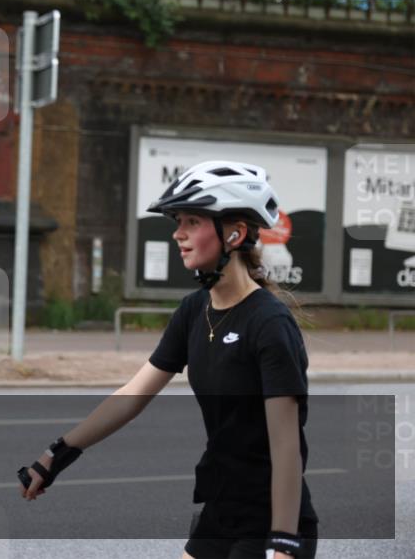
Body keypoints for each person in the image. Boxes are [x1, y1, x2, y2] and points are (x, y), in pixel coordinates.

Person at [19, 160, 318, 559]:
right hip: (221, 507)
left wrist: (283, 541)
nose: (178, 234)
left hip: (271, 519)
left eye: (192, 221)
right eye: (178, 221)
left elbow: (286, 448)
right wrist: (56, 455)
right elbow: (134, 394)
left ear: (235, 233)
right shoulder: (194, 311)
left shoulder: (270, 324)